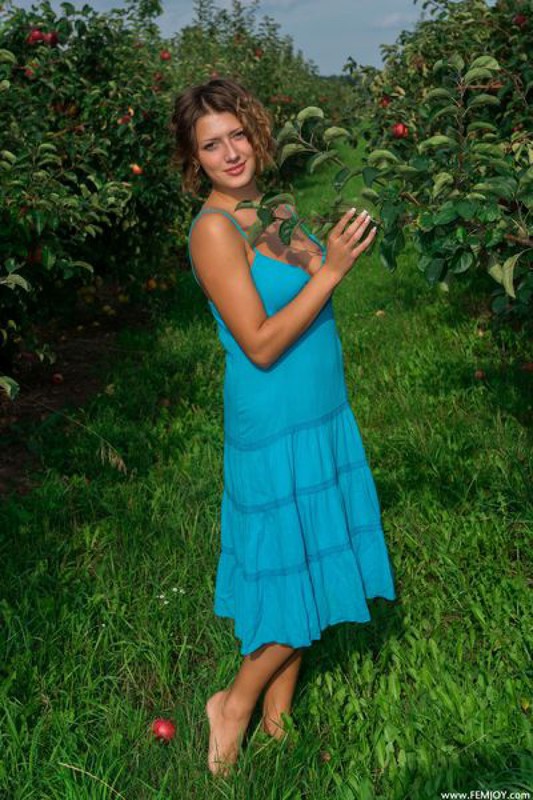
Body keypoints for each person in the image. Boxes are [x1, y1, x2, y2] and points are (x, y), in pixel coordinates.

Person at [169, 77, 397, 777]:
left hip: (321, 412)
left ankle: (277, 721)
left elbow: (313, 281)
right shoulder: (213, 231)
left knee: (307, 561)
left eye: (237, 134)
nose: (231, 153)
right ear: (193, 159)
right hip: (274, 420)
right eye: (212, 145)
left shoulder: (274, 209)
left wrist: (337, 248)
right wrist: (331, 271)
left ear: (257, 132)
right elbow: (261, 343)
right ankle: (232, 705)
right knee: (290, 573)